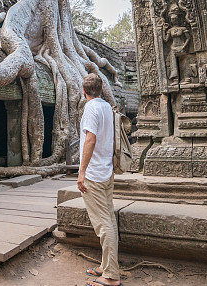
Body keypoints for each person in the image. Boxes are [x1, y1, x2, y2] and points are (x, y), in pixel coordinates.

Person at [77, 73, 121, 286]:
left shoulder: (91, 108)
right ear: (101, 89)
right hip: (107, 171)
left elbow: (90, 138)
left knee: (104, 225)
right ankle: (107, 266)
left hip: (94, 174)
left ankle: (111, 276)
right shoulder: (107, 108)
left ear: (84, 91)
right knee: (109, 220)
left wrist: (82, 171)